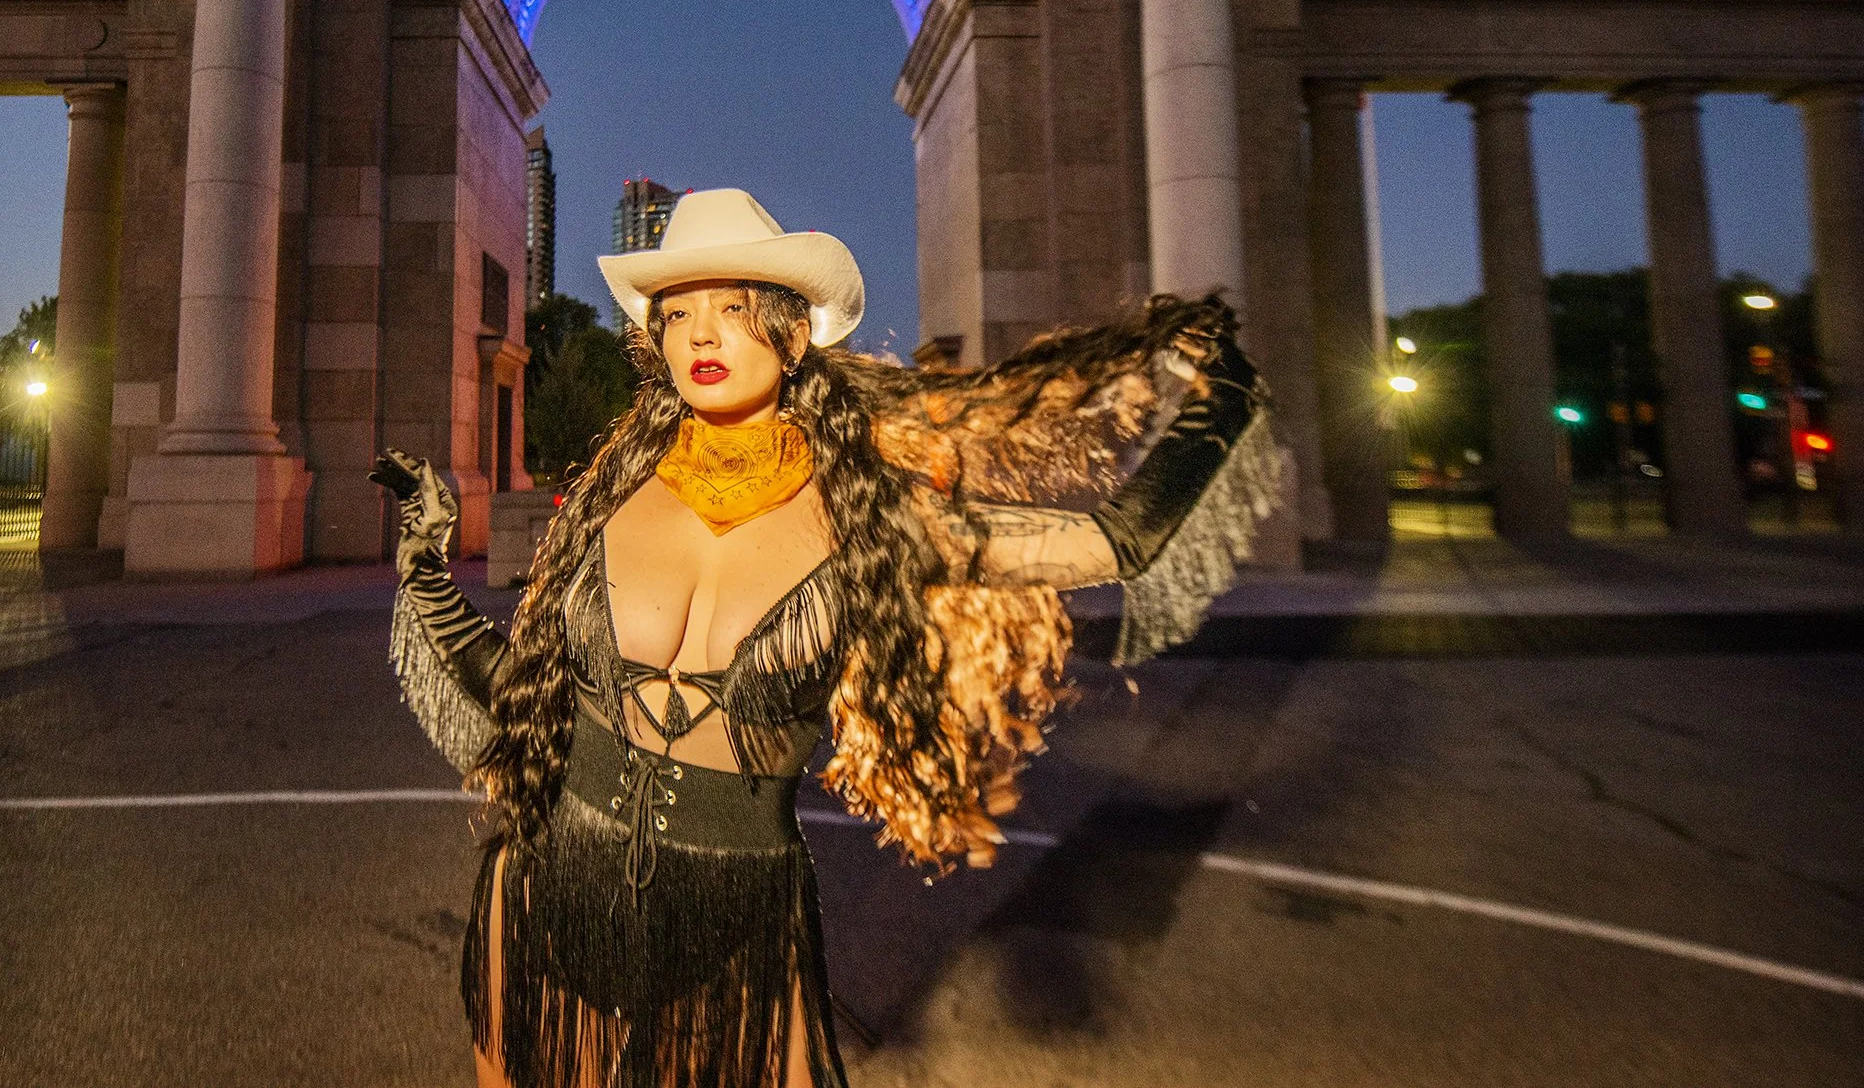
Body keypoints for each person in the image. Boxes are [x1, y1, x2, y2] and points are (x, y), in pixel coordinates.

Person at [380, 188, 1277, 1088]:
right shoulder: (615, 494)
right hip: (544, 881)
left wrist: (1222, 397)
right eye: (678, 313)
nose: (699, 335)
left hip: (736, 917)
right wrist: (427, 572)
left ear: (794, 333)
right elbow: (533, 702)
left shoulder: (874, 519)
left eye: (732, 309)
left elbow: (1115, 539)